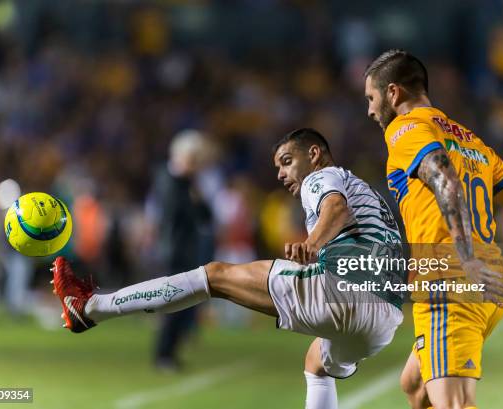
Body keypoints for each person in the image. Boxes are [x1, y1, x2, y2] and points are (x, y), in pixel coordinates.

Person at [51, 128, 404, 409]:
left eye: (285, 161)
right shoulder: (369, 195)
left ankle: (90, 308)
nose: (280, 174)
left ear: (313, 154)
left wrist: (312, 245)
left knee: (215, 275)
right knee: (317, 364)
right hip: (385, 318)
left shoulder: (321, 176)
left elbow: (335, 208)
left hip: (344, 291)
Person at [363, 49, 503, 409]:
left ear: (393, 93)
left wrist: (464, 257)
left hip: (451, 279)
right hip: (492, 285)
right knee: (415, 385)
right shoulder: (472, 141)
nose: (369, 110)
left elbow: (443, 177)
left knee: (454, 405)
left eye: (371, 98)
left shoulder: (406, 128)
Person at [145, 129, 215, 370]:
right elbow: (176, 212)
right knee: (173, 305)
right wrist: (191, 193)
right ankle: (163, 355)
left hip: (186, 250)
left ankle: (170, 353)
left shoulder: (186, 182)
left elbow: (207, 215)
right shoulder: (168, 178)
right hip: (173, 251)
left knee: (184, 305)